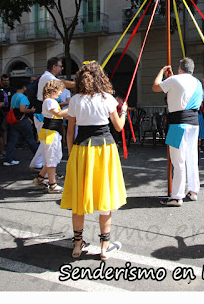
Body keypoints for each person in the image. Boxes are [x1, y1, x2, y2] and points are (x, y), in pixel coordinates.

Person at [60, 62, 128, 261]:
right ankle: (105, 248)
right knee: (105, 198)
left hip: (82, 150)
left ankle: (77, 246)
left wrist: (72, 153)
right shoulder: (108, 98)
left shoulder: (75, 100)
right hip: (104, 151)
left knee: (79, 201)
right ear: (101, 78)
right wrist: (123, 111)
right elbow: (118, 127)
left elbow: (70, 132)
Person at [153, 58, 203, 206]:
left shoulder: (174, 80)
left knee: (178, 160)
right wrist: (173, 77)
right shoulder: (198, 83)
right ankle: (193, 190)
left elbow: (155, 87)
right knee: (192, 157)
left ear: (180, 69)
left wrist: (162, 71)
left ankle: (177, 196)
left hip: (177, 124)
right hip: (194, 124)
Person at [30, 57, 75, 170]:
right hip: (43, 116)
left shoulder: (47, 78)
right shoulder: (47, 78)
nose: (62, 68)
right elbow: (63, 83)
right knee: (48, 144)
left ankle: (37, 164)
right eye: (60, 66)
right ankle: (47, 172)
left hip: (43, 115)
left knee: (45, 143)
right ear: (54, 67)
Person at [30, 80, 69, 193]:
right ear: (53, 90)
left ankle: (40, 178)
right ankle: (52, 184)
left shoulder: (50, 102)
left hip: (51, 132)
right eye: (59, 91)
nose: (61, 93)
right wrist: (72, 107)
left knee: (54, 156)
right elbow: (58, 114)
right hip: (50, 133)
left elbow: (60, 115)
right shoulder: (50, 102)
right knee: (52, 158)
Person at [4, 82, 38, 167]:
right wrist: (31, 111)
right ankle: (39, 158)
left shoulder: (14, 96)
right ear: (24, 87)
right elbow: (22, 109)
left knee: (12, 141)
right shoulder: (23, 97)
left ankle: (9, 159)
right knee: (30, 140)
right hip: (22, 121)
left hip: (14, 120)